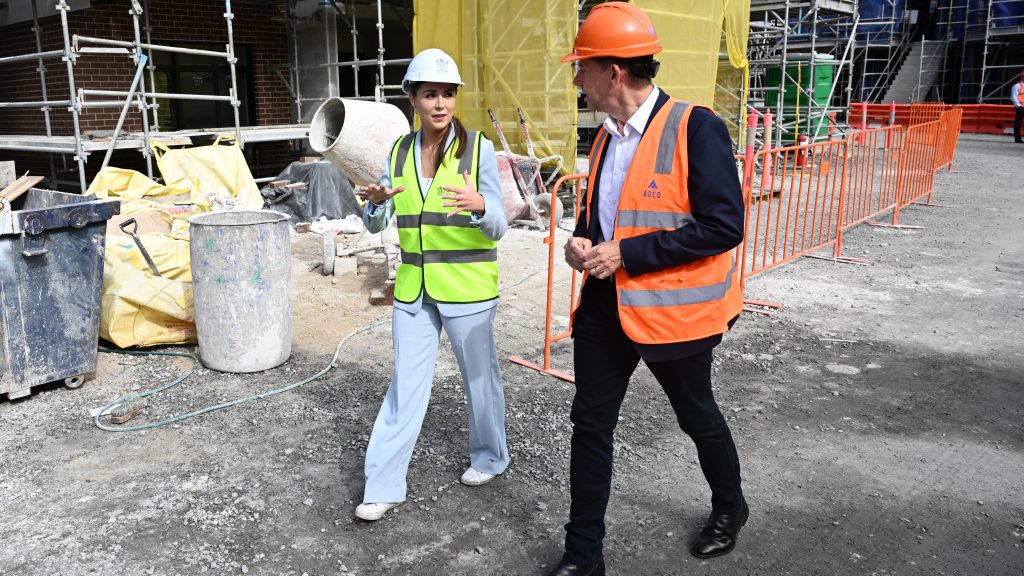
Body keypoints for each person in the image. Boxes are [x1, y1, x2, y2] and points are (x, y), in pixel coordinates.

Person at [544, 4, 747, 575]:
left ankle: (730, 508)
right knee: (590, 427)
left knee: (697, 415)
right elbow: (601, 218)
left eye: (581, 68)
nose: (575, 79)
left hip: (671, 314)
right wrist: (583, 243)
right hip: (607, 308)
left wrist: (626, 253)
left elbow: (723, 224)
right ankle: (583, 556)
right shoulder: (607, 138)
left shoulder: (695, 126)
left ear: (613, 72)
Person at [353, 48, 510, 522]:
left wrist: (481, 205)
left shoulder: (478, 148)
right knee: (405, 387)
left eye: (447, 94)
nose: (440, 103)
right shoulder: (399, 150)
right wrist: (376, 204)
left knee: (480, 383)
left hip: (469, 290)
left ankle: (490, 457)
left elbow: (500, 224)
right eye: (429, 94)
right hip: (414, 292)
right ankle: (381, 486)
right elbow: (379, 221)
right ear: (412, 99)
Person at [1012, 70, 1024, 144]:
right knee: (1018, 123)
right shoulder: (1017, 86)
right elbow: (1013, 97)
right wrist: (1018, 106)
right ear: (1022, 77)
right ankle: (1017, 138)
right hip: (1020, 107)